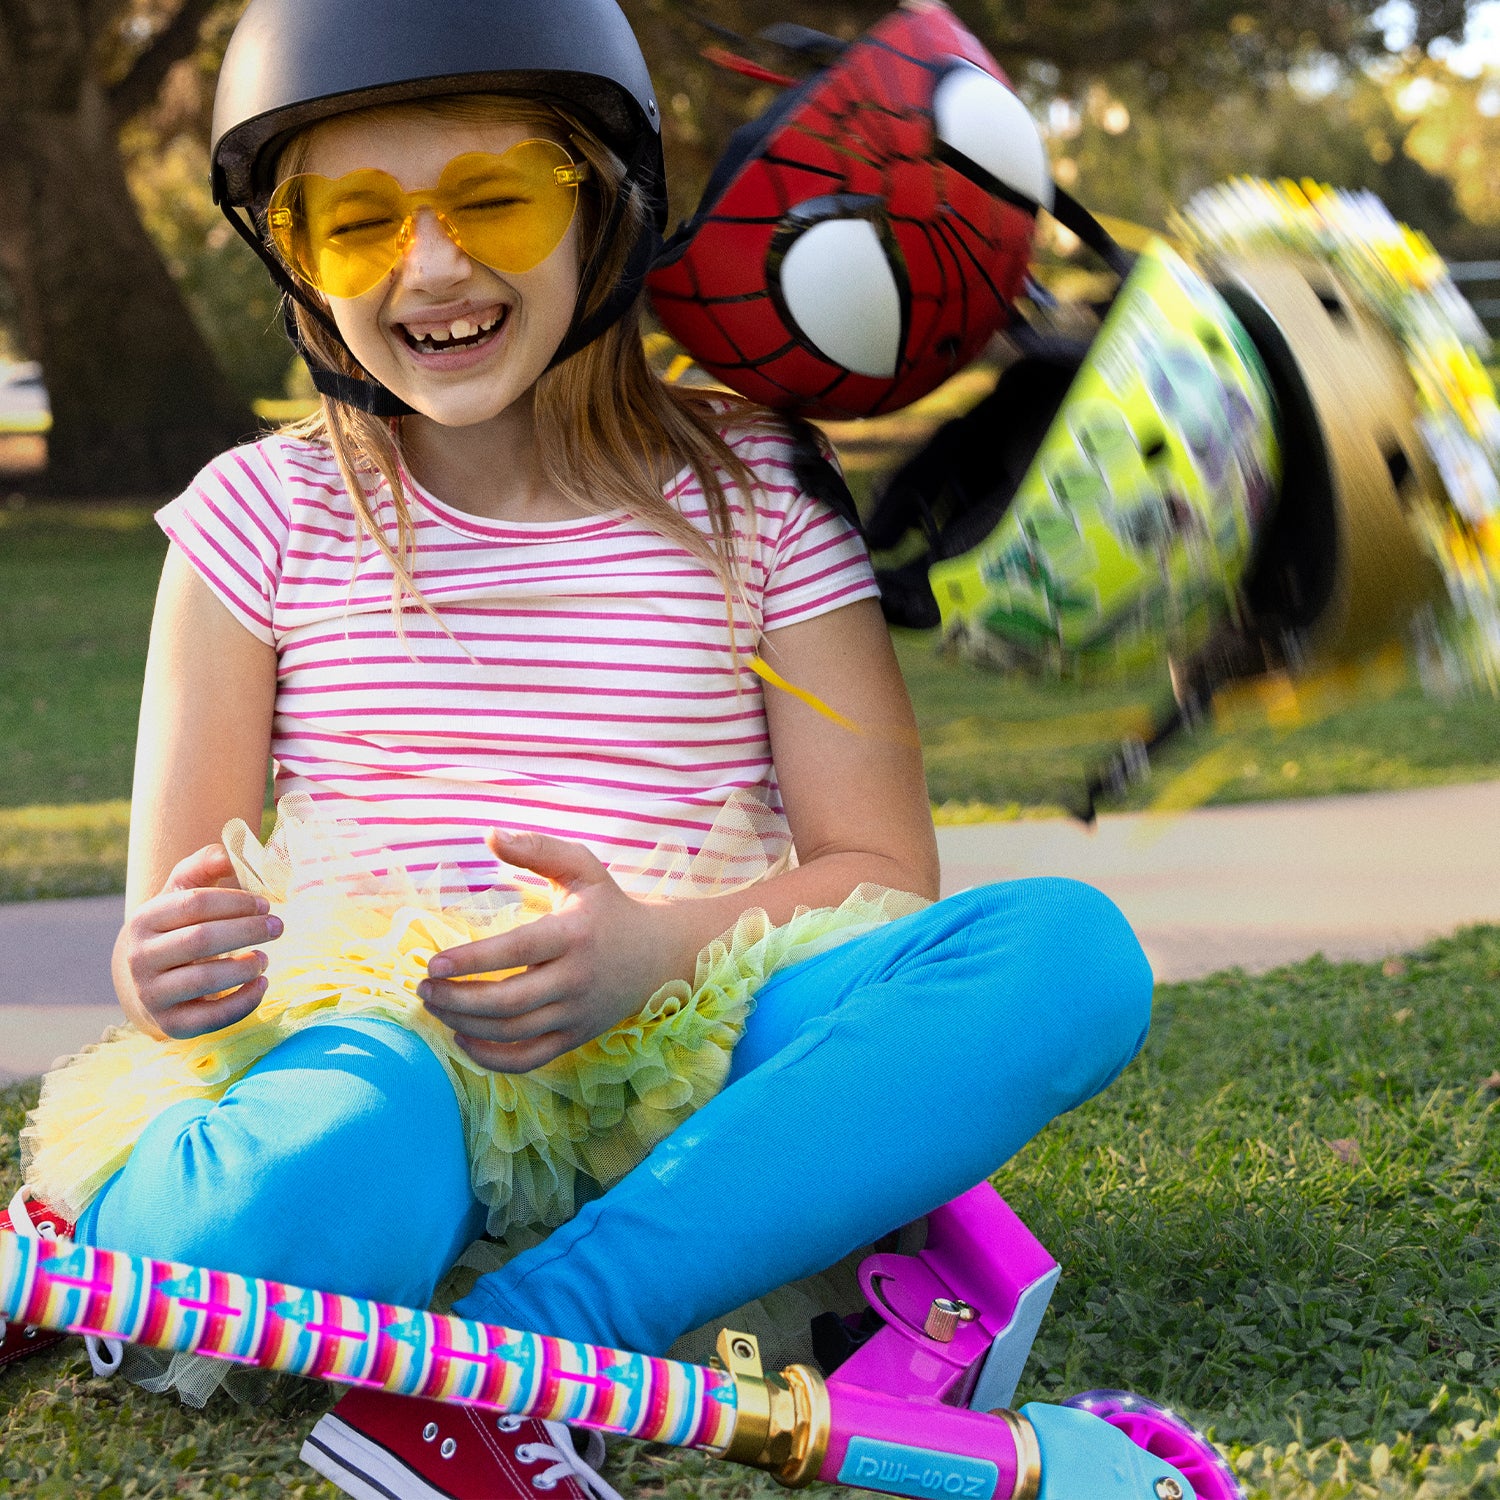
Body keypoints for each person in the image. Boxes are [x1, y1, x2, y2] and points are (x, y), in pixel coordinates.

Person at [10, 2, 1156, 1496]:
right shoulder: (255, 517)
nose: (431, 268)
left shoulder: (755, 488)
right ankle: (194, 1234)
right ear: (296, 259)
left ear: (605, 209)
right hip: (363, 1047)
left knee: (1063, 956)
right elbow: (168, 935)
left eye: (495, 198)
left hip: (680, 1031)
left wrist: (655, 952)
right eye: (358, 225)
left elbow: (882, 874)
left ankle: (535, 1334)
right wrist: (169, 962)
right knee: (328, 1170)